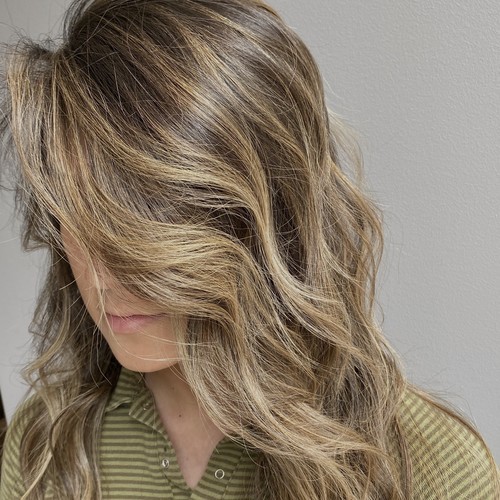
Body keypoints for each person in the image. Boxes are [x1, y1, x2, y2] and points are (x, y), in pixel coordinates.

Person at [0, 0, 498, 498]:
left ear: (273, 216)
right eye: (77, 214)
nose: (104, 275)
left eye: (147, 217)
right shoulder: (45, 444)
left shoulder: (430, 468)